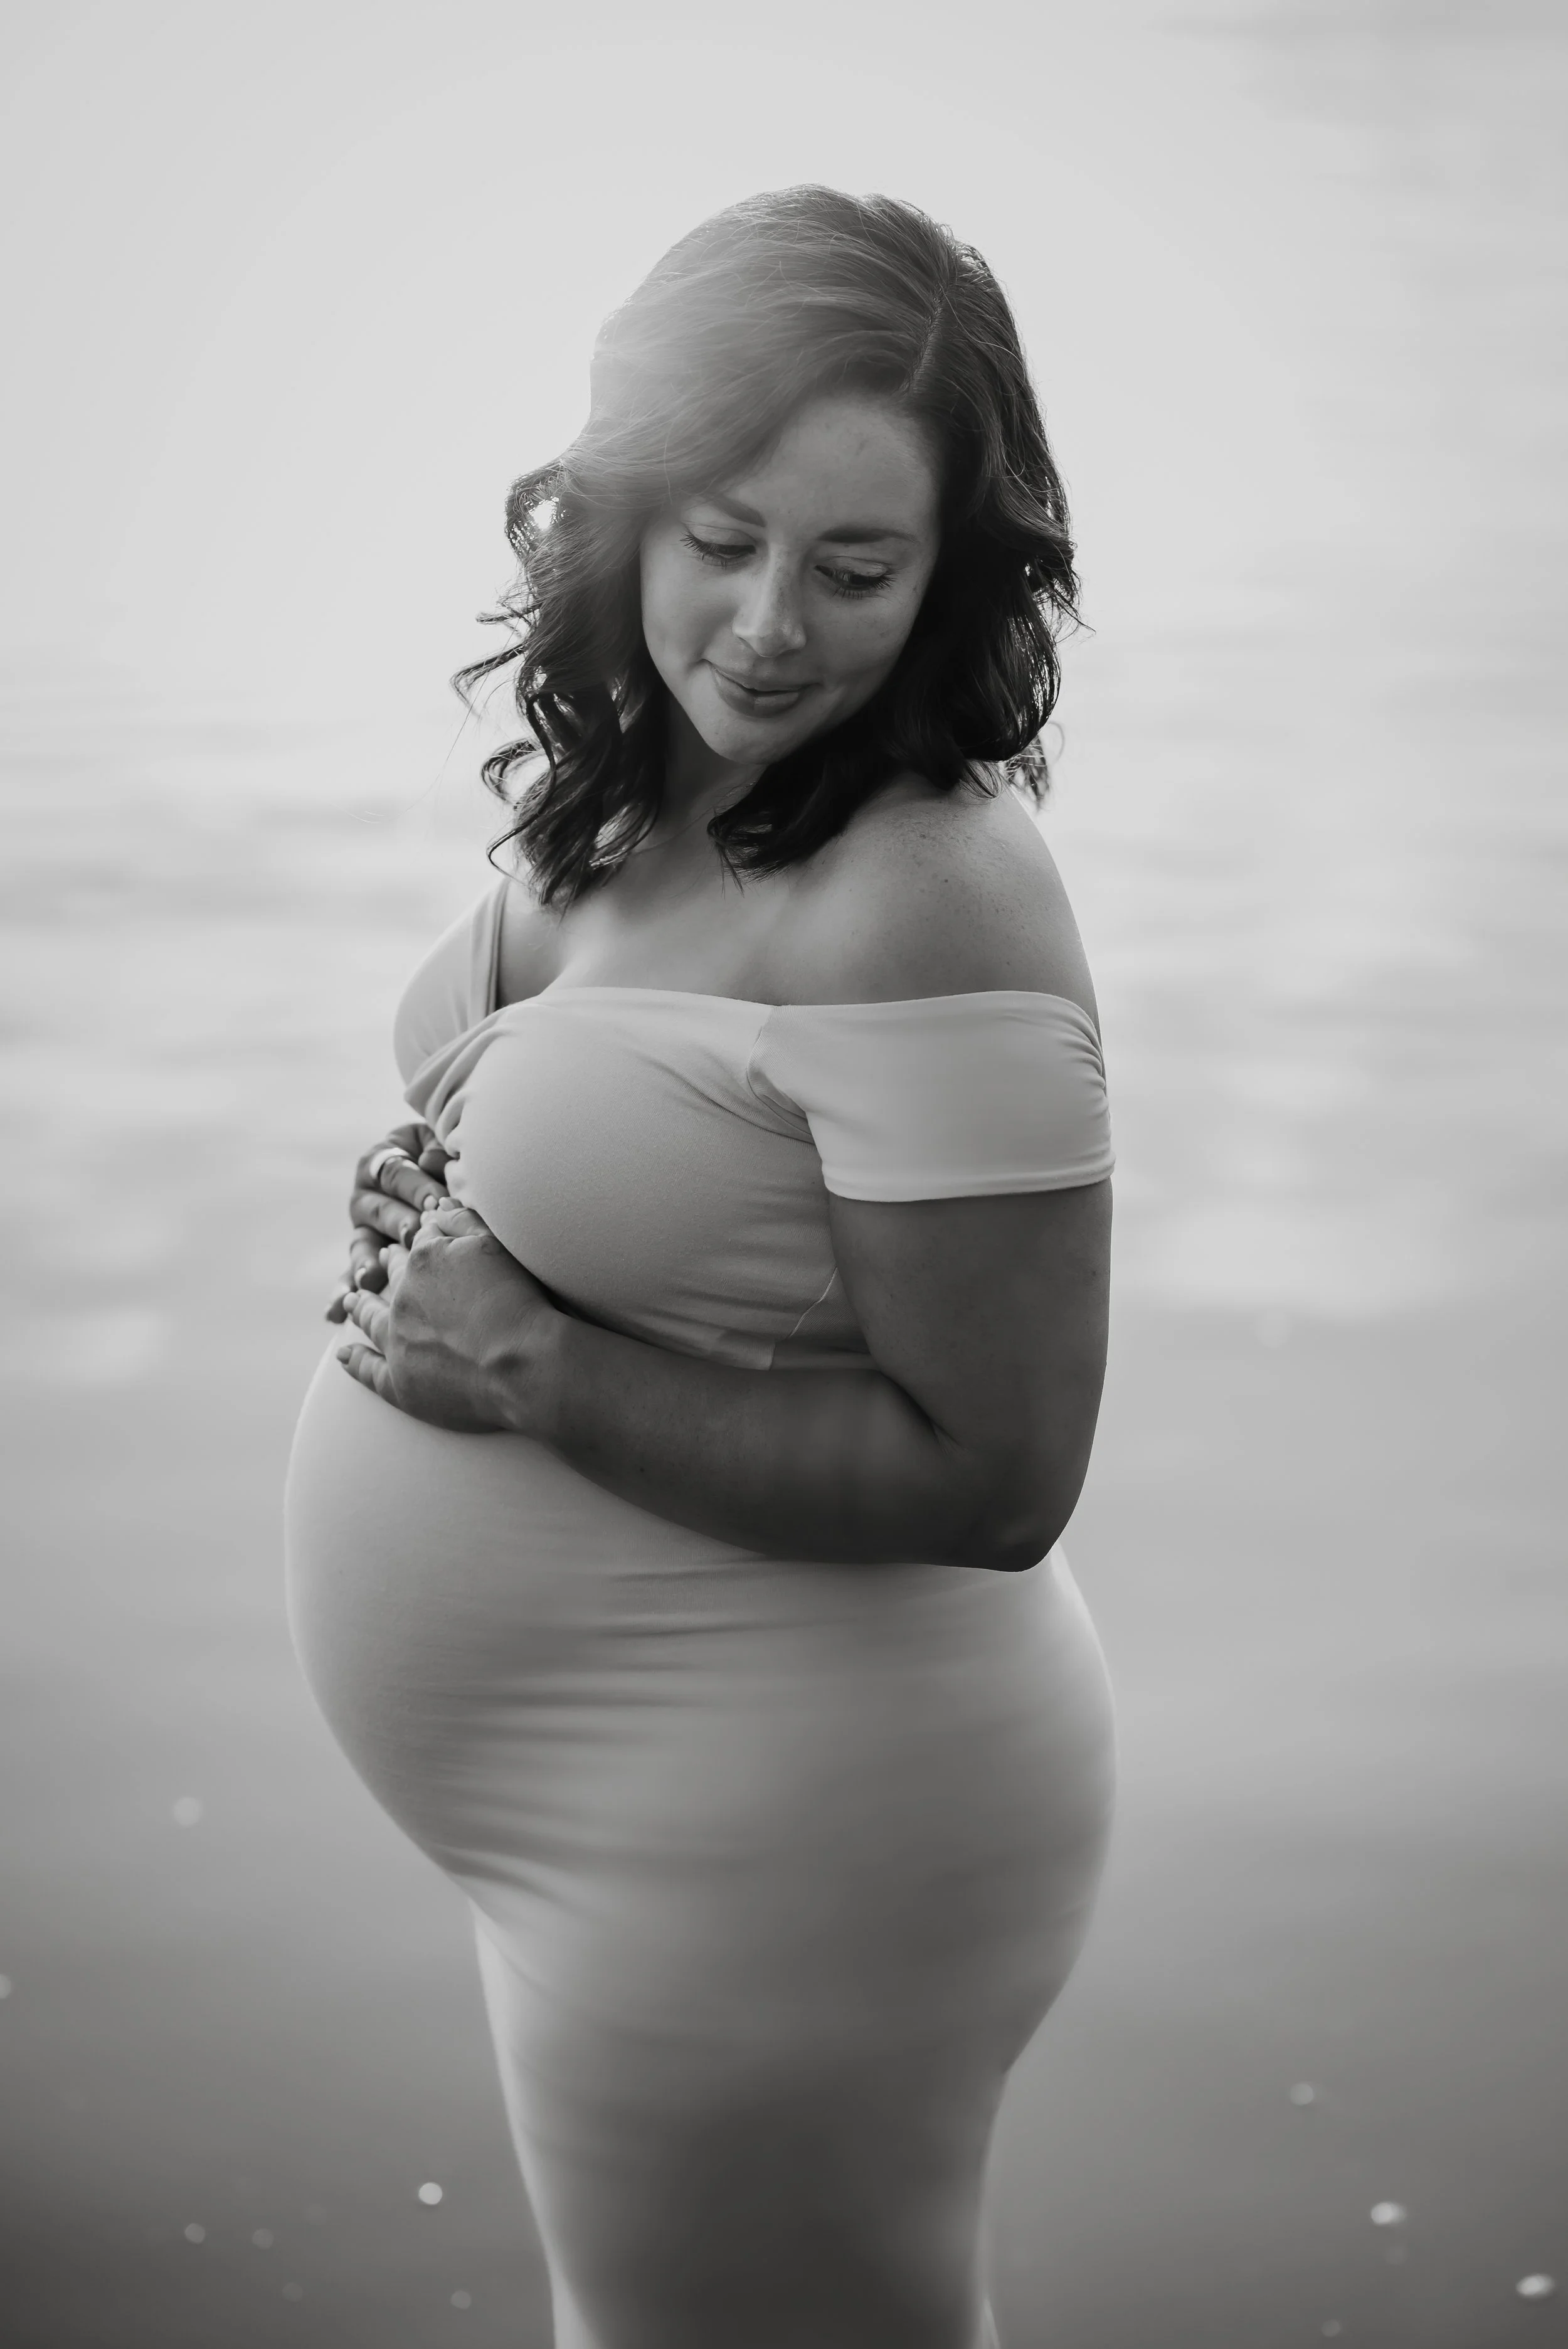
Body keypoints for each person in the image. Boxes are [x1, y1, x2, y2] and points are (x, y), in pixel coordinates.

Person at [284, 184, 1117, 2349]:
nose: (767, 626)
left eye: (856, 569)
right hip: (632, 1806)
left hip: (790, 1843)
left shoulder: (927, 888)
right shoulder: (636, 777)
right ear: (624, 511)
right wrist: (431, 1212)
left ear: (949, 579)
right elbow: (641, 1153)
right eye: (719, 539)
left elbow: (998, 1472)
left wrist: (529, 1374)